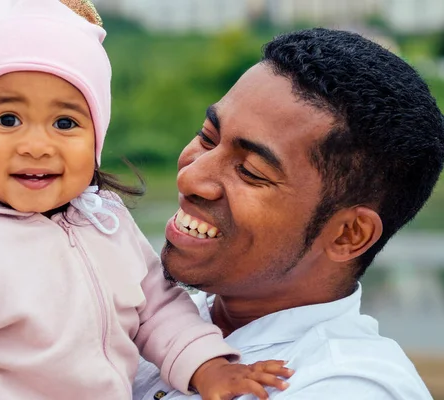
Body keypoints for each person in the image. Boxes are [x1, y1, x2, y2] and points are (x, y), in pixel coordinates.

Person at [0, 0, 293, 399]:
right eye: (8, 120)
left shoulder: (106, 221)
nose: (37, 145)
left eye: (65, 122)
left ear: (96, 137)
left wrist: (209, 367)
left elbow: (159, 311)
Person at [133, 28, 444, 400]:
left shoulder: (346, 384)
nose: (190, 177)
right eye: (207, 137)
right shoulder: (150, 311)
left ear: (348, 234)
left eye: (251, 172)